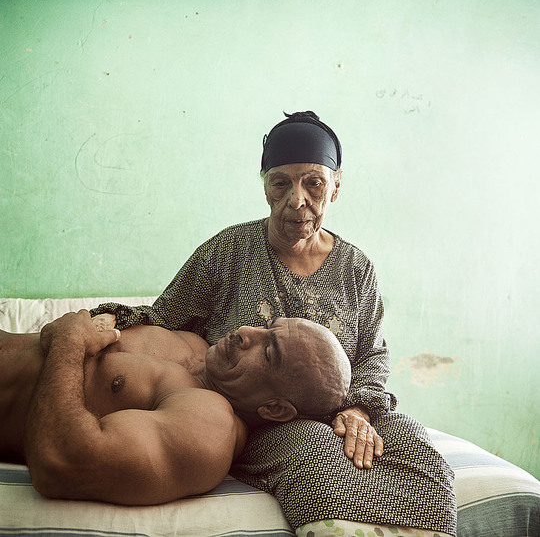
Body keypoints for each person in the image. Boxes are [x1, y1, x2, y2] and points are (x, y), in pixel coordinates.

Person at [91, 111, 457, 536]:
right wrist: (104, 323)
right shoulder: (229, 250)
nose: (296, 200)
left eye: (313, 182)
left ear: (336, 186)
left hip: (342, 408)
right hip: (260, 419)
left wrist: (359, 409)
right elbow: (163, 315)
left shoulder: (356, 268)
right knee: (314, 453)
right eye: (280, 182)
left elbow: (372, 355)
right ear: (265, 184)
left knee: (416, 447)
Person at [0, 310, 351, 505]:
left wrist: (68, 340)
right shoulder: (192, 343)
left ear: (275, 410)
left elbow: (61, 463)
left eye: (268, 351)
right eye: (266, 326)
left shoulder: (208, 427)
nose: (245, 331)